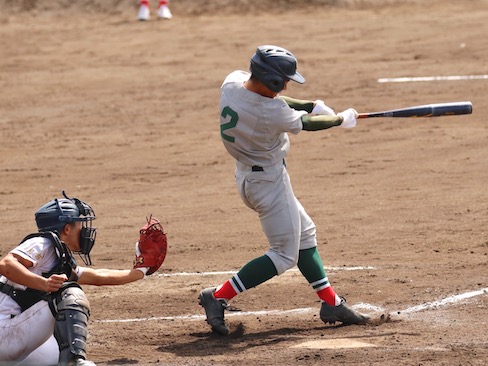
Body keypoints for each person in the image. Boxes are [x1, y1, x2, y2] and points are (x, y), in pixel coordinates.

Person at [198, 45, 371, 335]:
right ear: (273, 80)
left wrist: (310, 103)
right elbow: (307, 125)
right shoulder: (269, 112)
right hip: (268, 185)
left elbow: (282, 103)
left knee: (305, 234)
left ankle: (331, 303)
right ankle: (218, 296)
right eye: (285, 79)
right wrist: (341, 118)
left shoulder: (232, 82)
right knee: (284, 255)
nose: (287, 84)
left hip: (248, 176)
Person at [0, 192, 151, 365]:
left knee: (56, 354)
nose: (85, 229)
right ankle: (74, 361)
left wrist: (140, 271)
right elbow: (6, 264)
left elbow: (97, 276)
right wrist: (44, 284)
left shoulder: (59, 258)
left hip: (12, 339)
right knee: (69, 294)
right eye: (80, 224)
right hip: (5, 334)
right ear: (67, 228)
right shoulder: (43, 244)